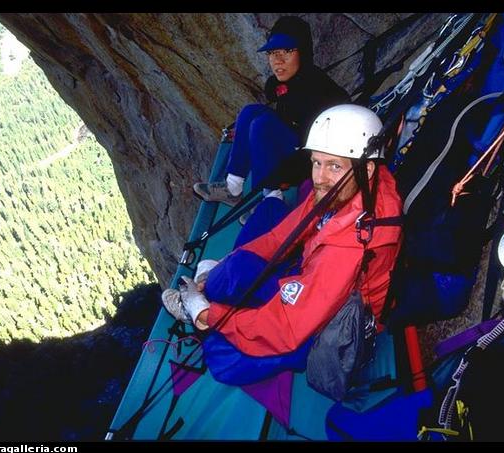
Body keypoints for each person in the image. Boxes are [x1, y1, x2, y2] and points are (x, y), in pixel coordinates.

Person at [163, 104, 403, 384]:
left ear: (368, 168)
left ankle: (201, 314)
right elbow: (282, 237)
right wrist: (222, 273)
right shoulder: (348, 185)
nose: (320, 178)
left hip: (334, 322)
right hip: (314, 275)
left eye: (334, 166)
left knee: (222, 359)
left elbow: (285, 329)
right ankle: (212, 286)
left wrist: (207, 314)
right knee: (250, 246)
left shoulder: (351, 246)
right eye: (316, 162)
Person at [193, 16, 350, 215]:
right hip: (292, 144)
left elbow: (317, 146)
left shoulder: (317, 87)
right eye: (272, 53)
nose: (278, 60)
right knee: (250, 112)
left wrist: (282, 175)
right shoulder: (288, 82)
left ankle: (269, 199)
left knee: (262, 124)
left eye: (286, 51)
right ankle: (233, 187)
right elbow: (277, 96)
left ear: (302, 52)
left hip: (310, 158)